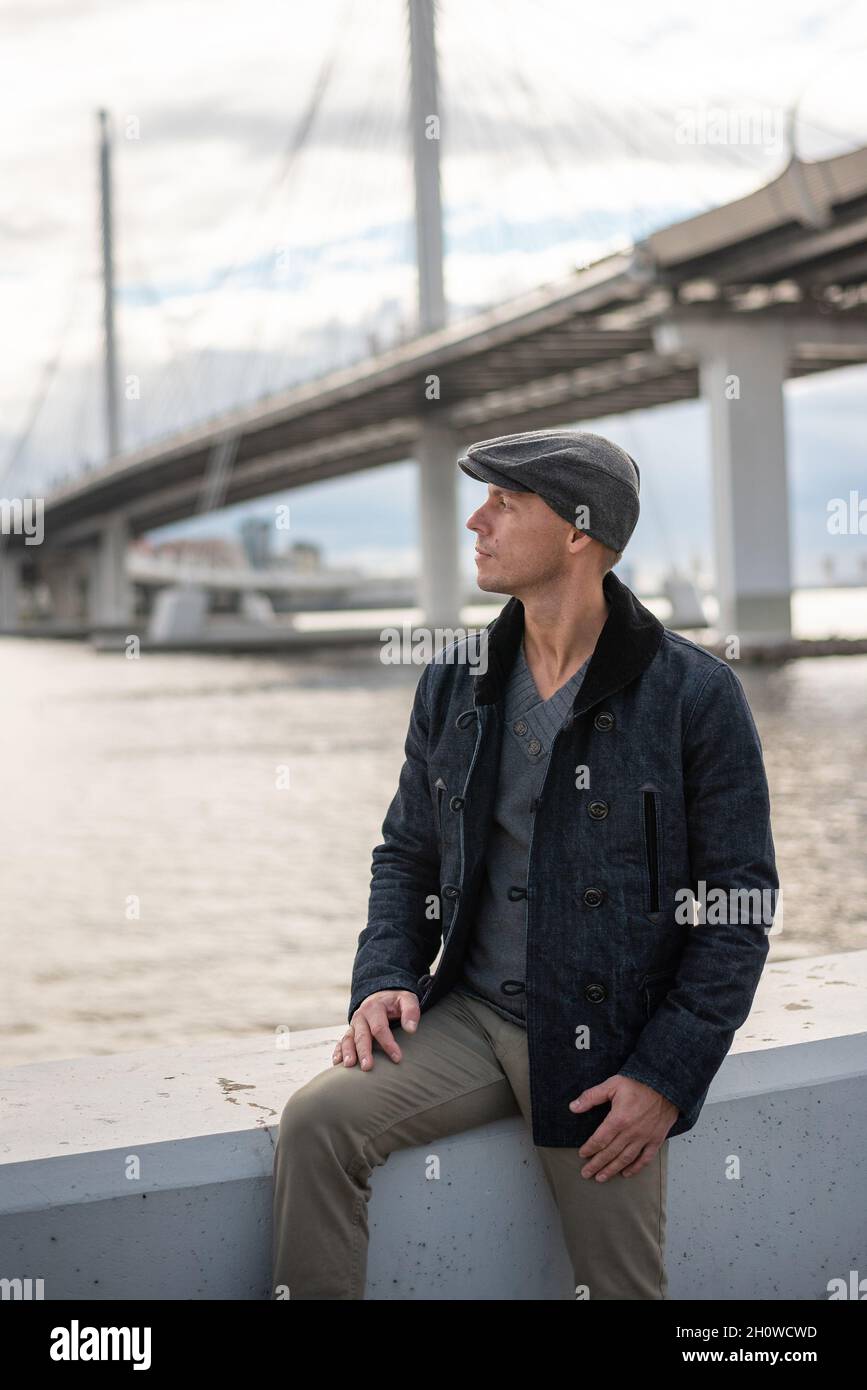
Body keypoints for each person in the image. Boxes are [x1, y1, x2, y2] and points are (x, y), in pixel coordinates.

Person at [271, 428, 778, 1300]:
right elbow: (407, 854)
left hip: (603, 1046)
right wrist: (385, 974)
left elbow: (738, 906)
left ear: (578, 530)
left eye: (503, 503)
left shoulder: (693, 694)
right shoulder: (454, 679)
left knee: (622, 1289)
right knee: (317, 1121)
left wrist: (665, 1075)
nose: (476, 520)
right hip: (467, 1016)